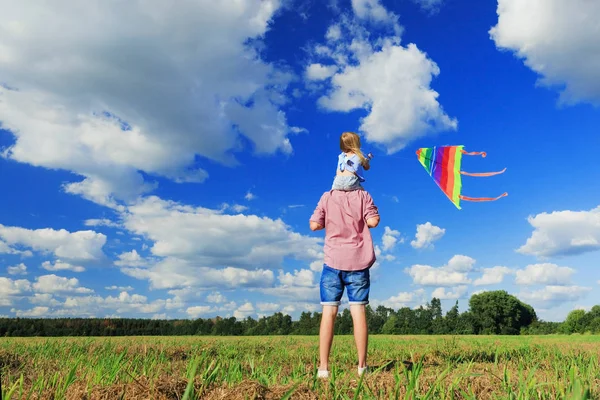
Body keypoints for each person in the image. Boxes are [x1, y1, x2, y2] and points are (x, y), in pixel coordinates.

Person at [309, 185, 380, 379]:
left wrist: (329, 218)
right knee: (358, 312)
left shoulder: (327, 196)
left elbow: (314, 225)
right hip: (358, 262)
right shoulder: (364, 195)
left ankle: (323, 369)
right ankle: (362, 367)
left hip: (332, 262)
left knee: (329, 313)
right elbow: (373, 221)